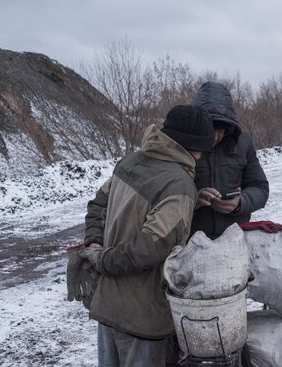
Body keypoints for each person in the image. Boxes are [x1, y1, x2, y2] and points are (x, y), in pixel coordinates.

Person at [75, 105, 214, 367]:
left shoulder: (129, 162)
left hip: (107, 305)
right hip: (143, 318)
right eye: (202, 148)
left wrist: (94, 244)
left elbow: (98, 206)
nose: (202, 155)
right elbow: (149, 248)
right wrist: (102, 259)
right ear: (192, 145)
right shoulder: (179, 185)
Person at [191, 81, 269, 239]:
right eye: (208, 128)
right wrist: (194, 199)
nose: (214, 136)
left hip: (234, 239)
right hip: (191, 240)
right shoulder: (185, 146)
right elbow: (167, 194)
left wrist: (240, 202)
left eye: (219, 129)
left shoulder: (243, 144)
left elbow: (260, 188)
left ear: (228, 126)